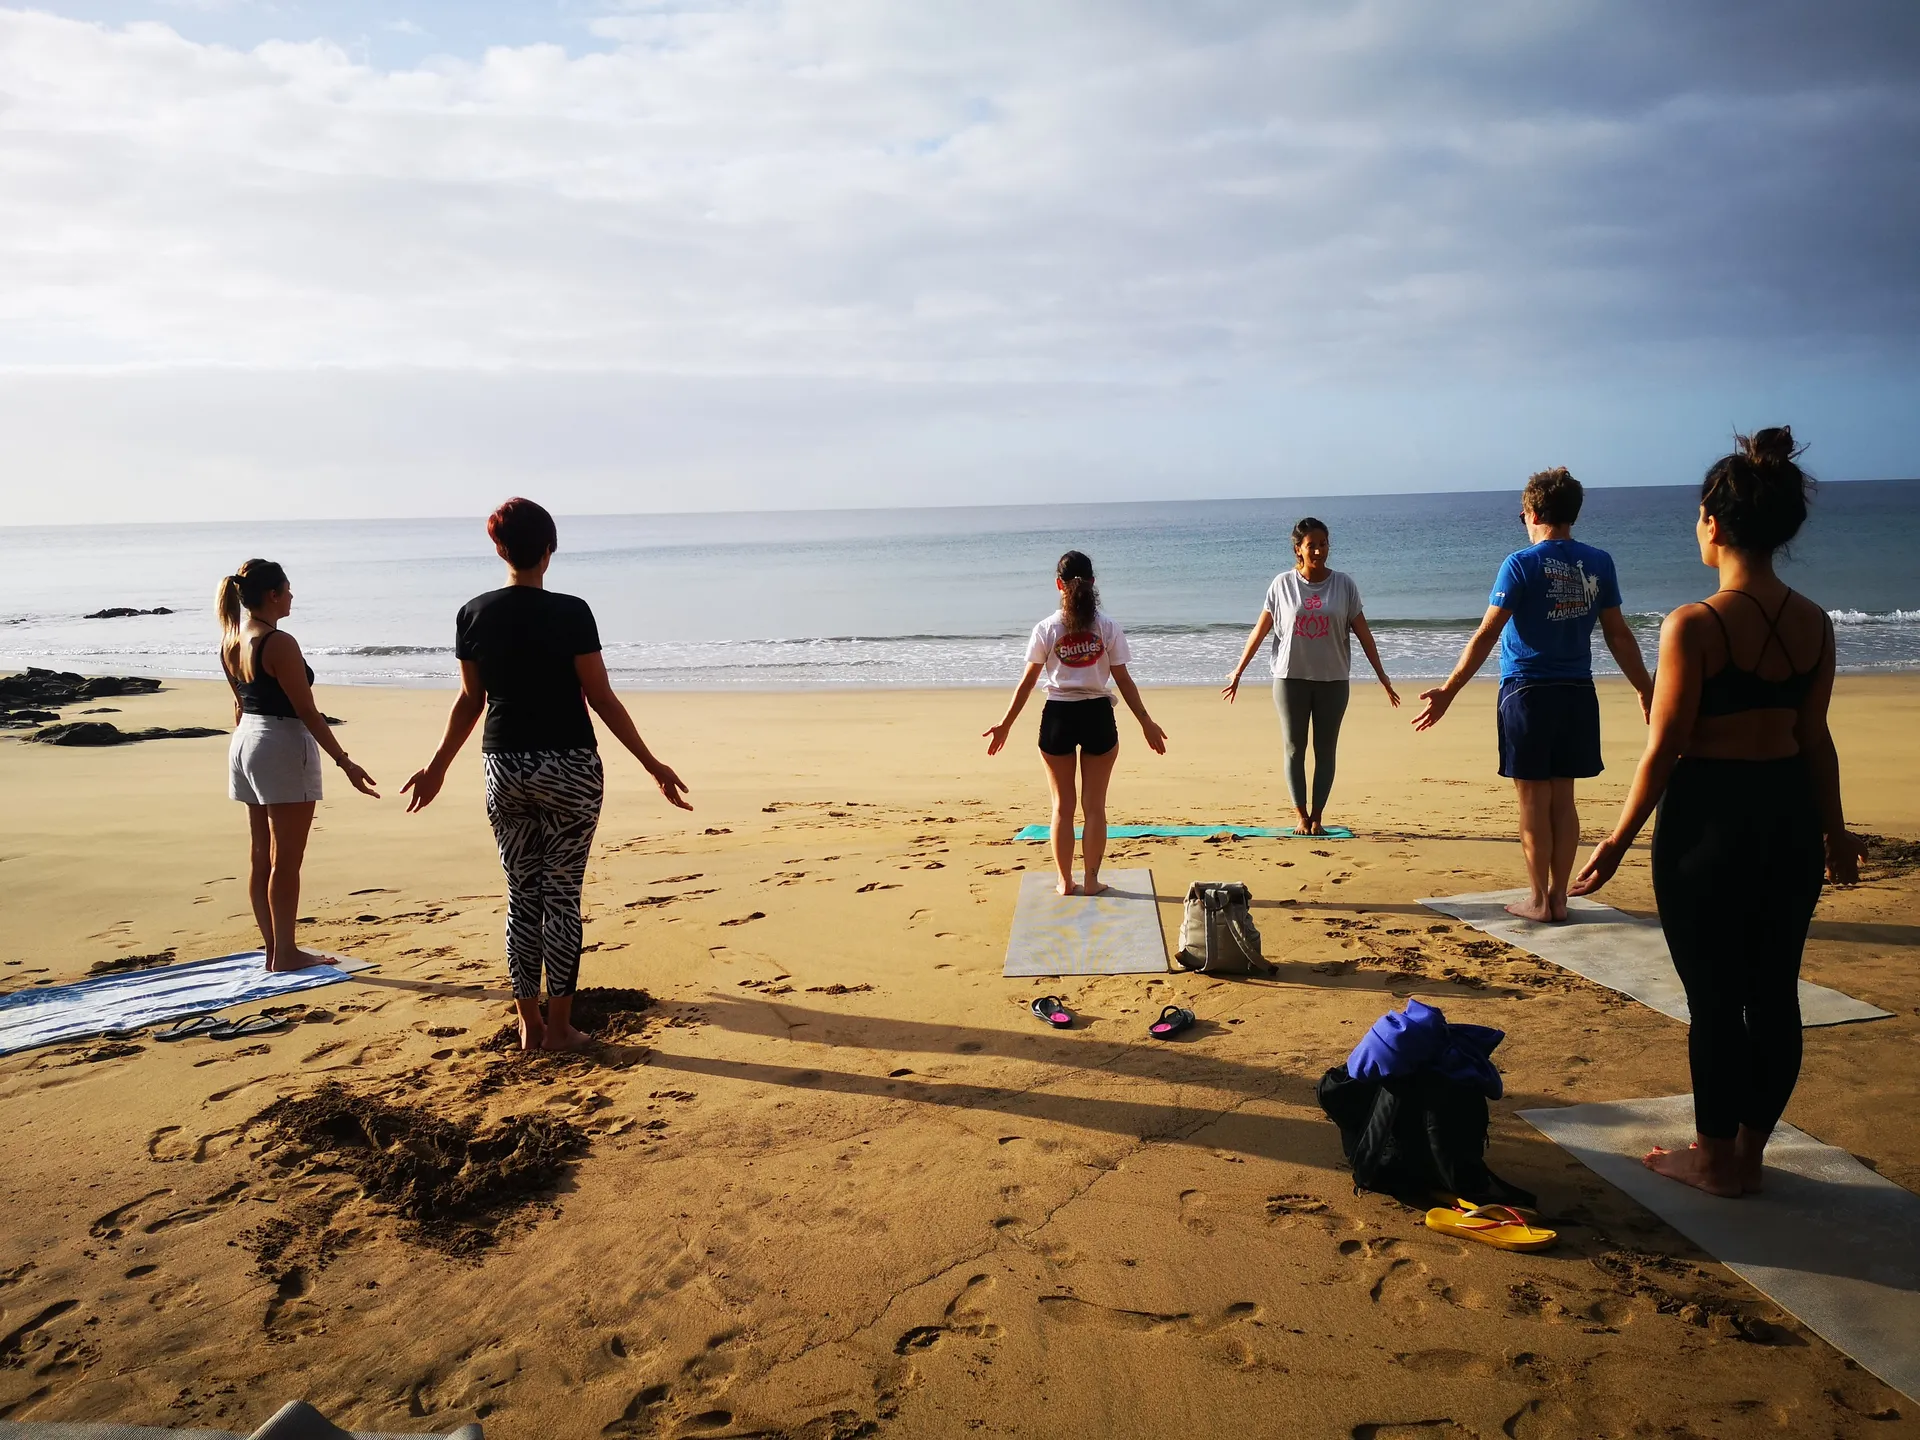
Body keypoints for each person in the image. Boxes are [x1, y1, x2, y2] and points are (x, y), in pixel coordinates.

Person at [1570, 429, 1864, 1197]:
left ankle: (1713, 1160)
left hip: (1707, 826)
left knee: (1713, 1001)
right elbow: (1815, 741)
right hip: (1789, 819)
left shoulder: (1693, 624)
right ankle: (1749, 1155)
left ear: (1713, 522)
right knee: (1773, 993)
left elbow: (1664, 749)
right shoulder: (1816, 623)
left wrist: (1614, 840)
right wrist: (1834, 833)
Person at [402, 499, 691, 1053]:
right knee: (561, 896)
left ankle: (528, 1026)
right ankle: (560, 1029)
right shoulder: (572, 612)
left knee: (520, 896)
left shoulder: (473, 613)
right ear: (549, 551)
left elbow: (470, 702)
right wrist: (651, 763)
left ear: (498, 549)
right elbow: (600, 697)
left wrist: (437, 766)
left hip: (504, 765)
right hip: (569, 766)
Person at [1411, 468, 1653, 922]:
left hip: (1526, 692)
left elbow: (1487, 632)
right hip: (1578, 692)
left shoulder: (1520, 563)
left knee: (1531, 802)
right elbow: (1618, 635)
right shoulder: (1599, 561)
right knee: (1564, 797)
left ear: (1533, 513)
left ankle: (1539, 900)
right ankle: (1559, 897)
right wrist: (1645, 686)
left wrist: (1449, 689)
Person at [217, 559, 380, 972]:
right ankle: (285, 953)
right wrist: (345, 762)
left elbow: (239, 705)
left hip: (246, 742)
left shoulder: (232, 638)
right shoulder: (279, 642)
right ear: (272, 595)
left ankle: (275, 949)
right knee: (286, 858)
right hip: (279, 744)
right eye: (287, 590)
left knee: (261, 855)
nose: (292, 596)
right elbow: (307, 711)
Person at [984, 551, 1168, 897]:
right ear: (1093, 584)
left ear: (1059, 585)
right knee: (1095, 806)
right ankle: (1093, 880)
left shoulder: (1046, 628)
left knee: (1061, 807)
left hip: (1058, 717)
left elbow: (1027, 683)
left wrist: (1005, 724)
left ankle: (1066, 881)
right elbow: (1123, 680)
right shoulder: (1107, 627)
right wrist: (1146, 721)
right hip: (1098, 715)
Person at [1222, 517, 1400, 835]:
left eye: (1323, 544)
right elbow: (1260, 631)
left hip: (1333, 680)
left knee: (1325, 749)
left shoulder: (1344, 585)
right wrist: (1238, 670)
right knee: (1294, 747)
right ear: (1298, 549)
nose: (1318, 551)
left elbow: (1364, 634)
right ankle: (1301, 815)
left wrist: (1383, 676)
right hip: (1291, 679)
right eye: (1311, 545)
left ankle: (1318, 815)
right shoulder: (1282, 585)